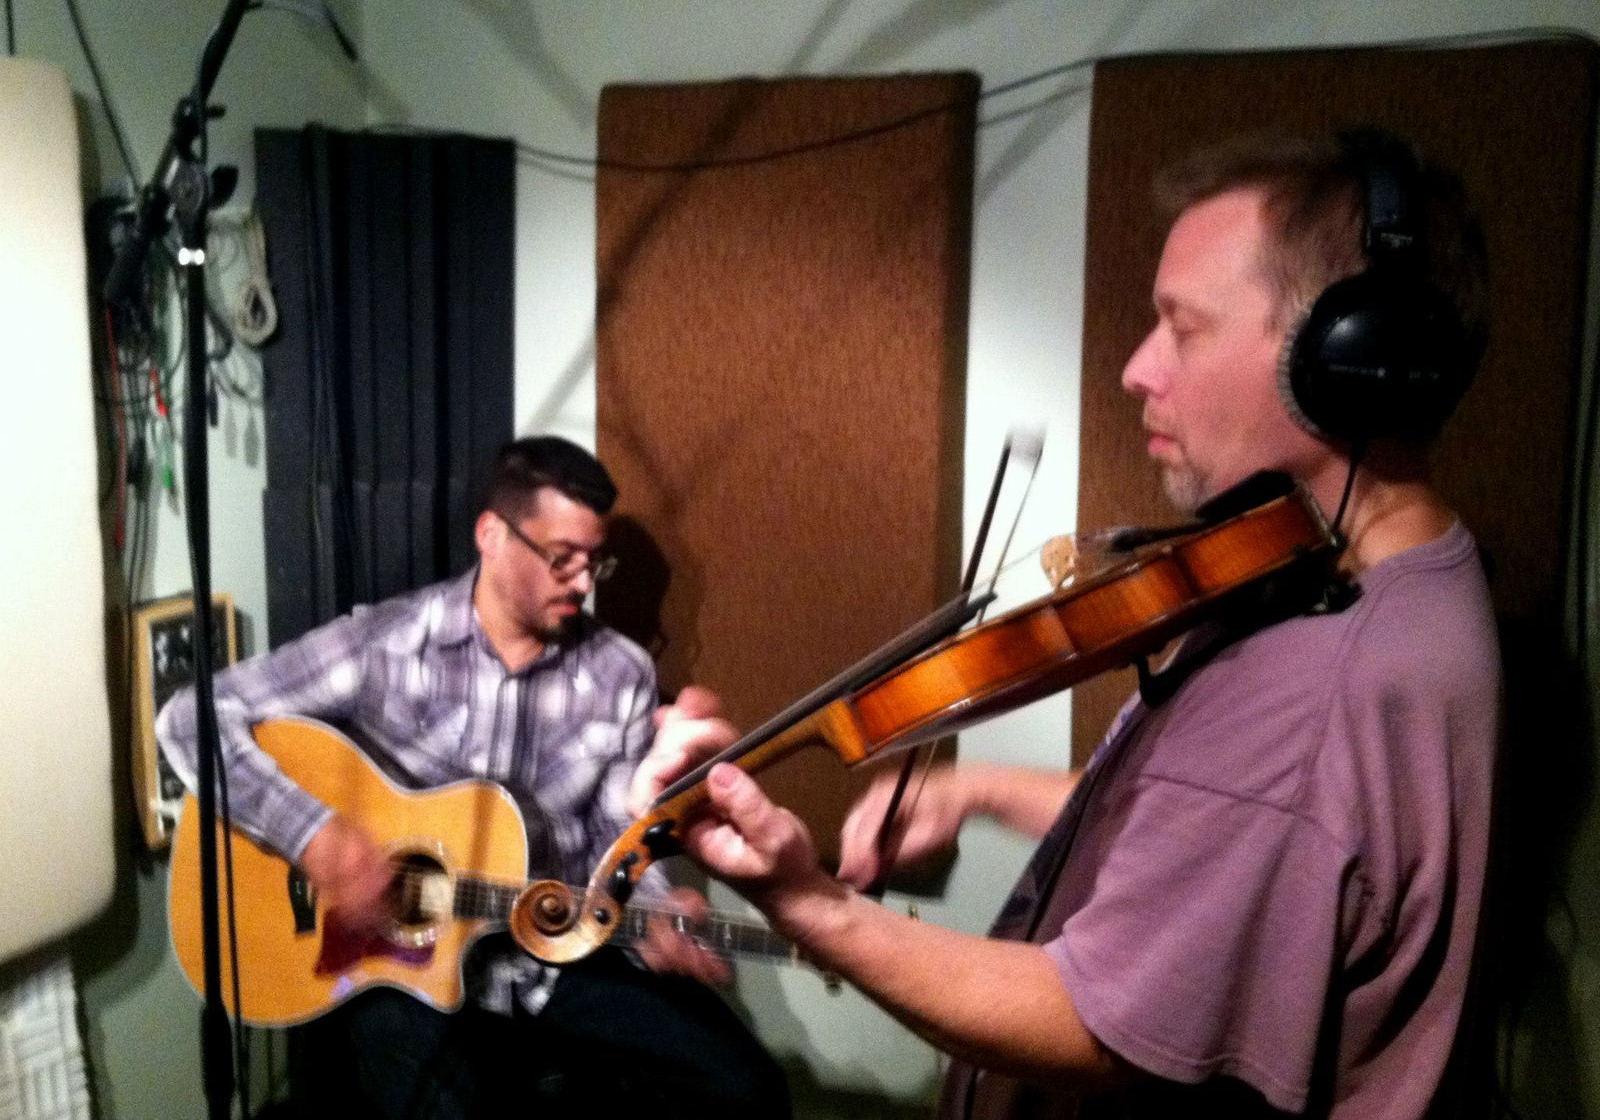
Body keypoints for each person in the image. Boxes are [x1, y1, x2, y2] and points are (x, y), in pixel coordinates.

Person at [661, 129, 1501, 1117]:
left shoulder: (1313, 684)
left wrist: (805, 901)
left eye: (1182, 327)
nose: (1138, 368)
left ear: (1346, 361)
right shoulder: (1401, 577)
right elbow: (1223, 837)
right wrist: (981, 787)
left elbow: (1090, 1024)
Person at [157, 435, 788, 1118]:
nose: (583, 584)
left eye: (593, 562)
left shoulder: (621, 674)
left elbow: (618, 829)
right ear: (492, 534)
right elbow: (191, 720)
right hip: (400, 966)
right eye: (562, 558)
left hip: (553, 959)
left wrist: (654, 909)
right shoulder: (388, 644)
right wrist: (317, 838)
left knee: (748, 1088)